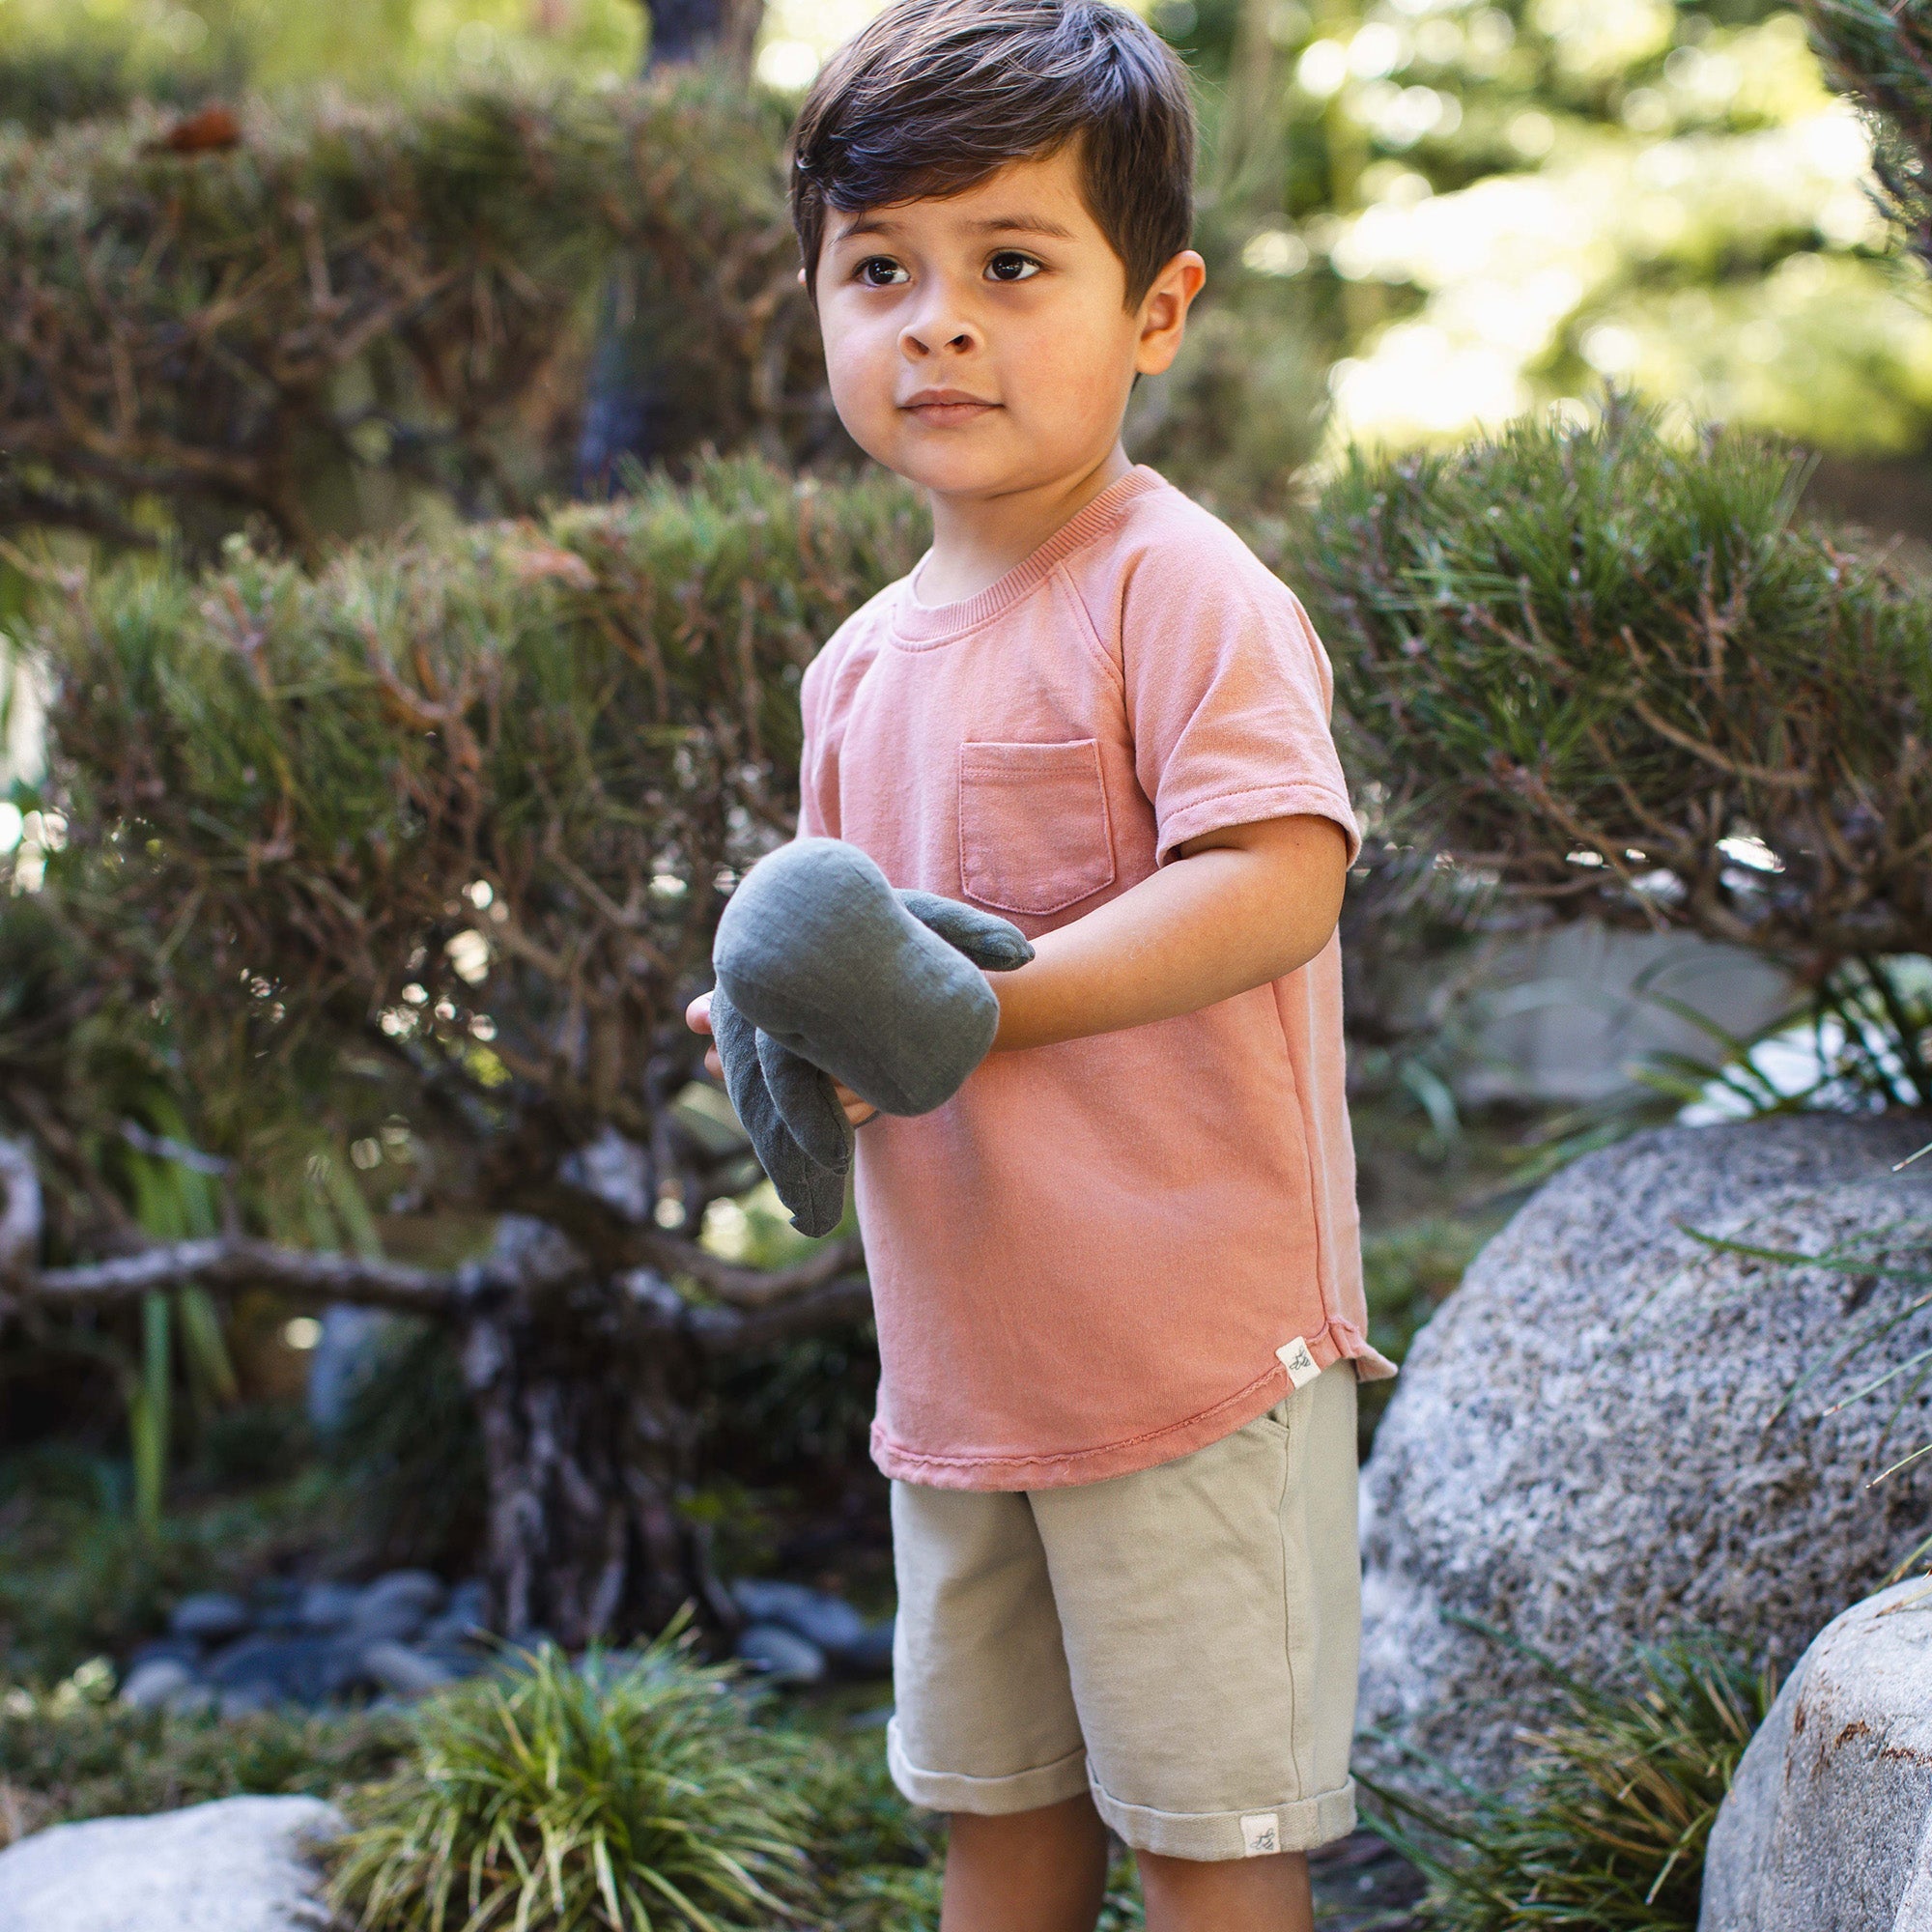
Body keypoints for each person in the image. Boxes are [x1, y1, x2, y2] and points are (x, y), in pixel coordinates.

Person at [690, 3, 1394, 1923]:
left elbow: (1275, 879)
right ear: (818, 302)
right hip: (966, 1363)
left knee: (1205, 1833)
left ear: (1153, 312)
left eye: (1010, 264)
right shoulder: (855, 666)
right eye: (878, 269)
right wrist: (791, 1019)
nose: (937, 319)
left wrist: (989, 1001)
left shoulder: (1178, 588)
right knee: (996, 1815)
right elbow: (890, 973)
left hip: (1185, 1343)